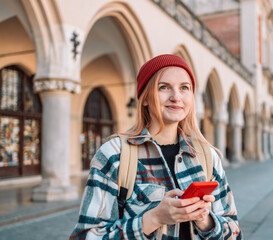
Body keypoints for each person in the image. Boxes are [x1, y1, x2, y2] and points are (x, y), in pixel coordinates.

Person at [70, 54, 243, 239]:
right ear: (145, 98)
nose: (176, 97)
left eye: (185, 88)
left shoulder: (208, 156)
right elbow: (85, 235)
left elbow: (235, 232)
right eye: (164, 87)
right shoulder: (115, 154)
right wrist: (153, 219)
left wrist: (205, 220)